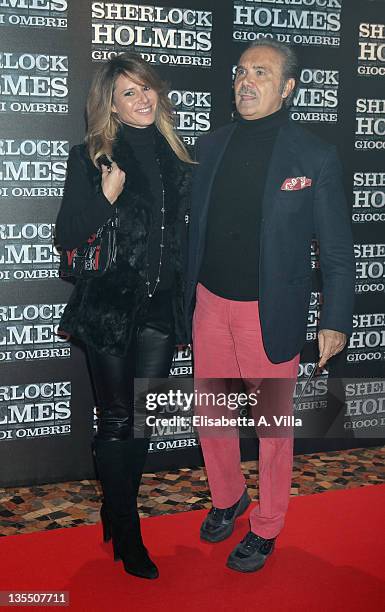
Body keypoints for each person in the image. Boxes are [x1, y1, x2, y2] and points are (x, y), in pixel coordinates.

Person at [185, 41, 355, 573]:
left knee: (272, 428)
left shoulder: (314, 155)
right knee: (212, 416)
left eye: (262, 72)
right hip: (210, 303)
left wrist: (335, 319)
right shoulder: (210, 145)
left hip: (270, 312)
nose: (246, 80)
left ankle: (267, 525)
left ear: (287, 89)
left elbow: (337, 249)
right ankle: (229, 497)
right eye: (241, 71)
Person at [55, 53, 192, 579]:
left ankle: (115, 509)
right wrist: (104, 199)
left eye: (146, 89)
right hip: (109, 309)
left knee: (140, 419)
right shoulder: (90, 157)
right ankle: (128, 531)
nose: (141, 99)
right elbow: (68, 236)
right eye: (128, 93)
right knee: (116, 420)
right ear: (109, 103)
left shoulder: (178, 160)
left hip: (161, 312)